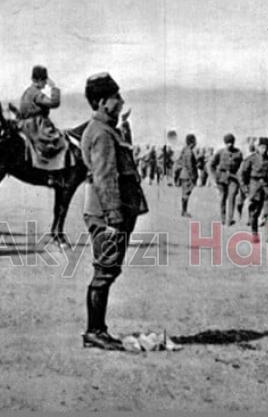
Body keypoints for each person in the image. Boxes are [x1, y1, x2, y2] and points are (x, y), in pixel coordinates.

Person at [80, 72, 148, 351]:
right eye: (115, 97)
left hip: (112, 212)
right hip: (108, 214)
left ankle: (97, 329)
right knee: (105, 270)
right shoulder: (101, 133)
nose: (120, 101)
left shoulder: (108, 130)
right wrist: (114, 218)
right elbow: (105, 178)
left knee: (108, 269)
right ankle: (95, 331)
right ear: (101, 102)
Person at [19, 65, 64, 159]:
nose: (45, 84)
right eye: (44, 81)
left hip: (26, 126)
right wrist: (54, 87)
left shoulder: (27, 92)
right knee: (59, 142)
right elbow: (54, 103)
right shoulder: (36, 93)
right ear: (39, 80)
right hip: (37, 128)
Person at [239, 137, 268, 240]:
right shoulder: (250, 159)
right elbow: (242, 174)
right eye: (262, 147)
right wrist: (245, 188)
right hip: (254, 188)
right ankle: (254, 234)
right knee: (254, 212)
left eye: (266, 147)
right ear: (258, 147)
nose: (264, 150)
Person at [211, 133, 244, 226]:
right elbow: (211, 165)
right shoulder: (220, 152)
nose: (230, 144)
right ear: (225, 143)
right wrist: (215, 176)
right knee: (222, 198)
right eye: (228, 143)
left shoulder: (238, 153)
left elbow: (242, 166)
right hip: (221, 178)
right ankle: (223, 218)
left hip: (233, 178)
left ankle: (229, 219)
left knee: (232, 197)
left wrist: (239, 175)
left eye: (231, 142)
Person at [177, 134, 198, 217]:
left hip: (184, 174)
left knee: (185, 193)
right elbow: (189, 165)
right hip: (188, 175)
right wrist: (193, 176)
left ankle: (184, 211)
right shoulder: (189, 151)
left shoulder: (185, 149)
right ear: (192, 142)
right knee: (186, 194)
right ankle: (184, 211)